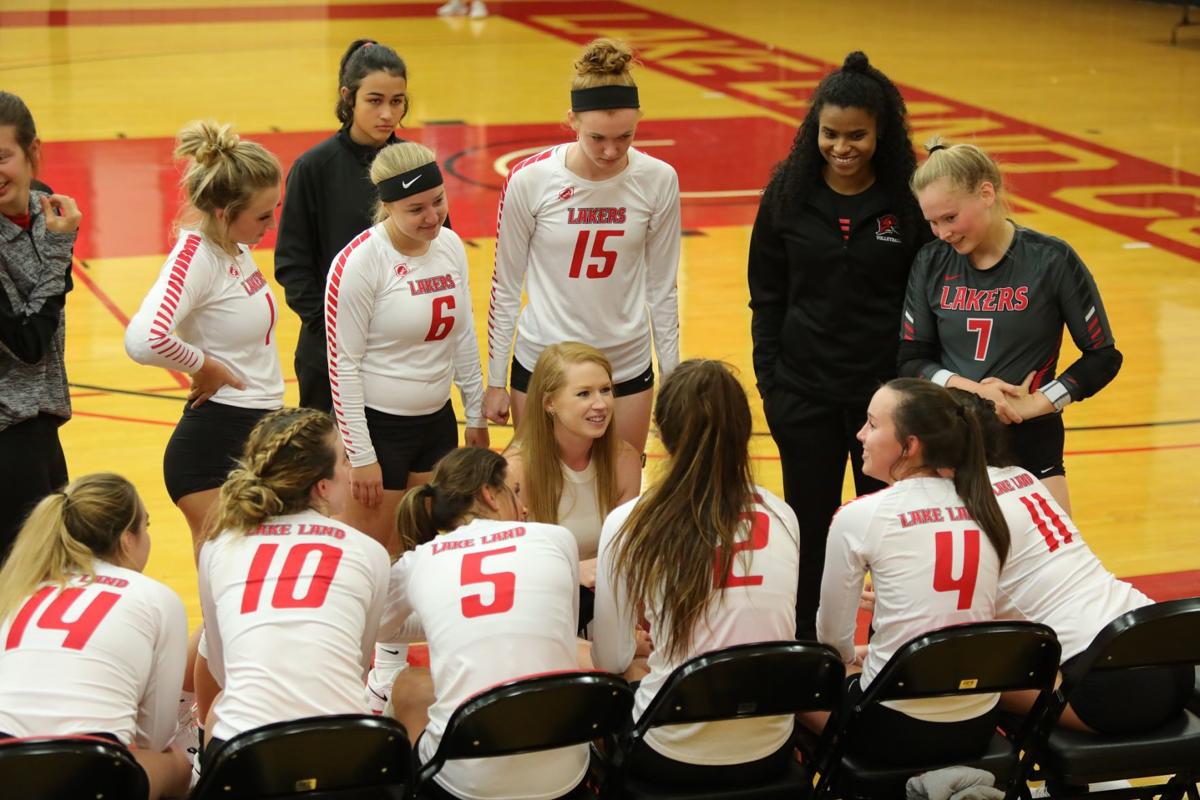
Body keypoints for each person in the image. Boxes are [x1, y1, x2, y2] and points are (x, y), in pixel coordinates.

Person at [747, 51, 930, 641]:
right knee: (811, 533)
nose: (842, 146)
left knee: (889, 532)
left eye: (857, 135)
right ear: (813, 130)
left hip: (885, 406)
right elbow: (766, 297)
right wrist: (772, 387)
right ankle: (808, 646)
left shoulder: (908, 201)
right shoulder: (788, 193)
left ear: (882, 133)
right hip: (803, 396)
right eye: (830, 133)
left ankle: (892, 648)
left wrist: (910, 389)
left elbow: (926, 298)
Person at [592, 360, 800, 790]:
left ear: (663, 435)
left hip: (670, 753)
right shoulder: (783, 515)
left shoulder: (630, 522)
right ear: (744, 434)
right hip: (770, 749)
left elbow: (609, 658)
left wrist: (641, 653)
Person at [901, 139, 1123, 514]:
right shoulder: (931, 261)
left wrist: (1040, 402)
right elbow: (911, 359)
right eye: (932, 222)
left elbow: (1103, 356)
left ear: (986, 193)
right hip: (949, 441)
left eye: (950, 218)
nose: (942, 233)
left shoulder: (1051, 260)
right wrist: (977, 393)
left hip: (1031, 441)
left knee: (1048, 568)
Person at [953, 390, 1193, 736]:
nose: (863, 435)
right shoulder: (1022, 477)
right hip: (1165, 648)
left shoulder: (959, 507)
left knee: (951, 679)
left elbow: (959, 626)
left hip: (1112, 686)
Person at [484, 37, 681, 455]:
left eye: (624, 137)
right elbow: (504, 286)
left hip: (625, 365)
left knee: (620, 498)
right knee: (541, 497)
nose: (611, 151)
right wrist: (496, 381)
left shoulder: (659, 179)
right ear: (572, 120)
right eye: (597, 138)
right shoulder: (530, 181)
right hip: (545, 364)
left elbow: (663, 289)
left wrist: (673, 381)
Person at [814, 378, 1010, 766]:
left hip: (894, 727)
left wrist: (857, 657)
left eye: (871, 424)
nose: (860, 434)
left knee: (794, 688)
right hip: (980, 722)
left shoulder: (861, 516)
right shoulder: (987, 505)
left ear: (910, 445)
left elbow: (831, 640)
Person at [379, 447, 586, 800]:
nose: (522, 507)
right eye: (515, 492)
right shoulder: (555, 537)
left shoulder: (420, 561)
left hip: (465, 786)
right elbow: (566, 626)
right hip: (565, 777)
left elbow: (381, 629)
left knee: (407, 684)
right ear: (489, 494)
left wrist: (443, 614)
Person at [125, 121, 284, 558]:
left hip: (253, 432)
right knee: (232, 587)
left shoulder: (235, 247)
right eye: (263, 215)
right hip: (214, 450)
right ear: (222, 213)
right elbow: (144, 338)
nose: (272, 224)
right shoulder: (196, 258)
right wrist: (204, 366)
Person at [197, 408, 389, 761]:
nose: (350, 471)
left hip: (248, 758)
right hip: (345, 753)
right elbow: (359, 665)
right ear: (321, 487)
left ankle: (201, 773)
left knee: (223, 705)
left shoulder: (218, 545)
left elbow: (222, 667)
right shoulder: (368, 551)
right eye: (345, 461)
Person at [325, 140, 487, 551]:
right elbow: (343, 364)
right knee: (373, 556)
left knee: (423, 550)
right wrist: (360, 455)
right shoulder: (360, 263)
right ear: (388, 206)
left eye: (437, 201)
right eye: (416, 210)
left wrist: (475, 412)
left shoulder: (450, 246)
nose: (432, 217)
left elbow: (463, 333)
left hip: (436, 423)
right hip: (380, 430)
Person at [0, 474, 190, 800]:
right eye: (146, 526)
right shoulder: (154, 596)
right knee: (178, 762)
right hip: (92, 769)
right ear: (128, 540)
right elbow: (153, 737)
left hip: (5, 765)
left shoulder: (21, 588)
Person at [275, 39, 421, 412]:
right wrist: (337, 334)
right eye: (375, 100)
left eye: (398, 100)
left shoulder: (416, 166)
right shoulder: (313, 169)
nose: (388, 113)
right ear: (348, 97)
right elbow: (293, 266)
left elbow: (438, 248)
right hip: (330, 357)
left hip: (401, 355)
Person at [502, 342, 641, 630]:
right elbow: (507, 568)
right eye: (584, 394)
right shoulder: (516, 470)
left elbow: (624, 553)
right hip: (535, 609)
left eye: (605, 390)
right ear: (549, 402)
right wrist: (571, 572)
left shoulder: (624, 460)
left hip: (602, 604)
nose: (601, 404)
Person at [0, 91, 80, 562]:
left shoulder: (43, 209)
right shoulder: (56, 229)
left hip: (42, 424)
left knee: (54, 576)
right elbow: (28, 341)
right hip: (7, 433)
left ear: (32, 153)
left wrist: (56, 244)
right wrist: (60, 247)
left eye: (2, 156)